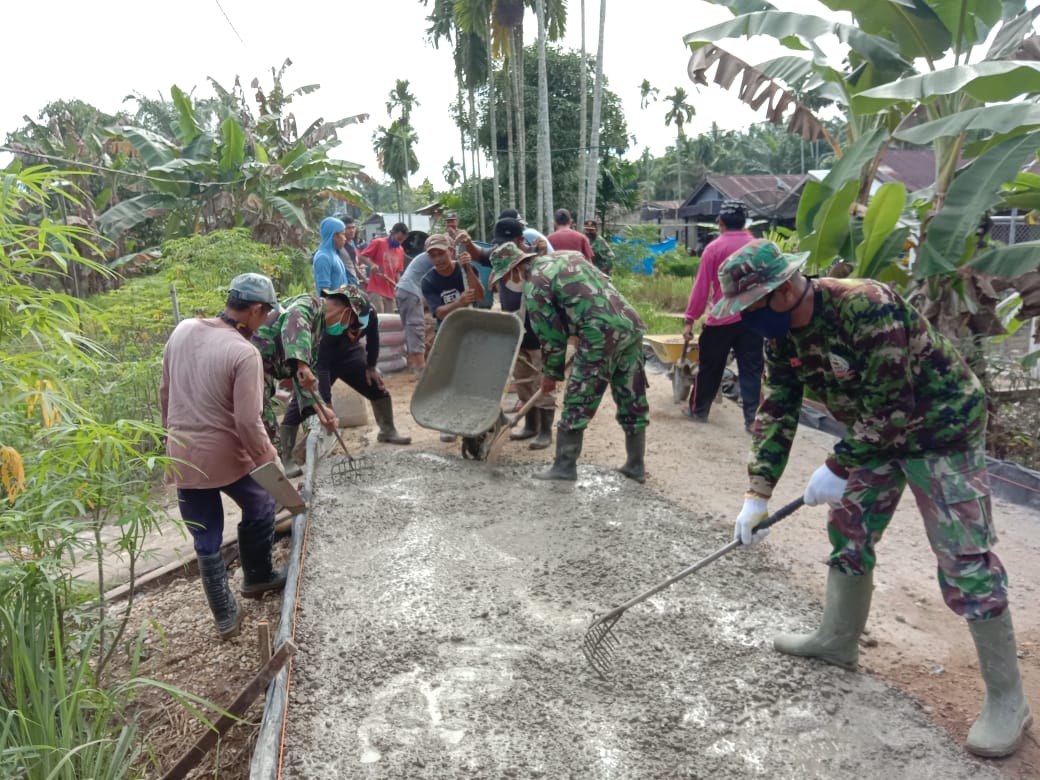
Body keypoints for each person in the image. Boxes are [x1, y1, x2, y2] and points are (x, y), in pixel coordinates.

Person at [717, 239, 1032, 759]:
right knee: (850, 530)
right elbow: (777, 407)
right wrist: (757, 494)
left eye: (753, 307)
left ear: (787, 288)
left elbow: (893, 400)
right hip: (874, 434)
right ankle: (838, 640)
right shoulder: (780, 337)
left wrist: (838, 465)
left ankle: (1008, 701)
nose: (749, 320)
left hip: (939, 429)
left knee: (964, 559)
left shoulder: (866, 304)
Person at [160, 273, 287, 640]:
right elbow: (248, 422)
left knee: (205, 533)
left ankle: (224, 615)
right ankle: (257, 576)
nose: (264, 324)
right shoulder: (244, 352)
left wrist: (172, 436)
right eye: (264, 317)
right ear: (254, 310)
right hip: (225, 454)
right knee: (262, 502)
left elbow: (165, 392)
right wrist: (270, 461)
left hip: (181, 453)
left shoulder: (182, 330)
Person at [498, 249, 648, 482]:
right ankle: (635, 465)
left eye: (506, 276)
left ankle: (564, 467)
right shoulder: (567, 256)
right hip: (629, 324)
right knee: (631, 396)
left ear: (515, 269)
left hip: (598, 333)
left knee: (578, 398)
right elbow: (597, 288)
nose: (508, 282)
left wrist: (551, 373)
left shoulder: (535, 284)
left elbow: (551, 336)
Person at [254, 285, 410, 476]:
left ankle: (274, 470)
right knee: (260, 419)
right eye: (350, 322)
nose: (347, 328)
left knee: (267, 419)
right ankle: (271, 473)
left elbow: (307, 379)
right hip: (255, 361)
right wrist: (302, 364)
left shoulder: (319, 328)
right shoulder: (308, 304)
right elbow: (296, 322)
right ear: (347, 312)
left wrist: (321, 408)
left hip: (267, 367)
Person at [681, 199, 763, 431]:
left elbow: (701, 287)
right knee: (752, 370)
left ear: (721, 222)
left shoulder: (714, 248)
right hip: (753, 318)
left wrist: (690, 319)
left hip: (721, 319)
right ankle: (751, 421)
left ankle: (699, 411)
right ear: (744, 221)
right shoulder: (757, 247)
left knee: (710, 367)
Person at [488, 219, 557, 450]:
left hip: (539, 337)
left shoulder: (534, 272)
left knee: (542, 385)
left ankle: (546, 431)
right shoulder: (500, 270)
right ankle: (531, 425)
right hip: (517, 336)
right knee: (524, 382)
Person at [420, 234, 484, 328]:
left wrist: (468, 268)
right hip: (448, 330)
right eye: (433, 256)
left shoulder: (466, 269)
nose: (438, 259)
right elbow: (439, 314)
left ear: (451, 251)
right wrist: (459, 303)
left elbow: (479, 296)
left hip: (472, 326)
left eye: (441, 253)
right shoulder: (428, 281)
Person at [359, 222, 407, 313]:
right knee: (379, 319)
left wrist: (400, 286)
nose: (399, 242)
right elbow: (362, 256)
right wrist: (372, 265)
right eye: (398, 239)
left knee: (389, 323)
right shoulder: (378, 242)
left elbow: (397, 272)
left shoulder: (400, 250)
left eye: (402, 240)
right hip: (376, 289)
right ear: (391, 233)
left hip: (390, 291)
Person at [312, 216, 353, 294]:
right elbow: (324, 292)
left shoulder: (334, 255)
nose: (345, 238)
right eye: (343, 234)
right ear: (334, 236)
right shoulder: (323, 257)